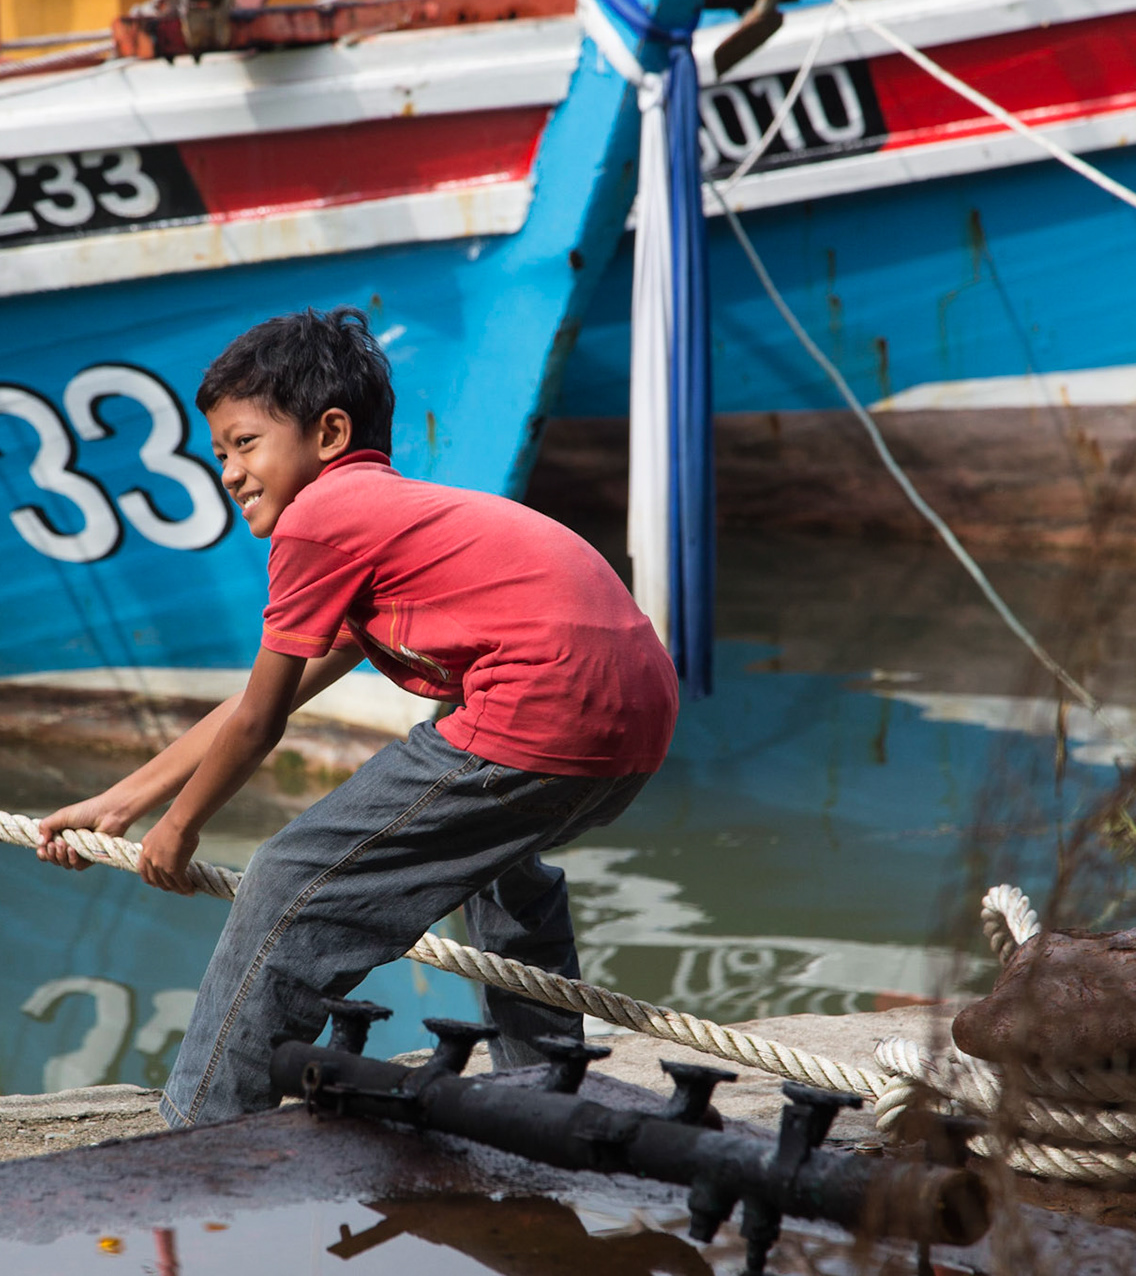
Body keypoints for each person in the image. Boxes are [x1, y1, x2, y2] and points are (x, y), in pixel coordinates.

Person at [36, 306, 678, 1127]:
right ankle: (547, 1092)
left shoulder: (320, 519)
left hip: (539, 702)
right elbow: (254, 700)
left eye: (243, 444)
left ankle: (199, 1128)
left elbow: (261, 723)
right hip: (636, 720)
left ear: (330, 433)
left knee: (288, 879)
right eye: (220, 452)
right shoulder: (391, 520)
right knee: (494, 867)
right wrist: (123, 803)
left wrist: (180, 826)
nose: (227, 472)